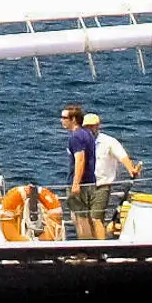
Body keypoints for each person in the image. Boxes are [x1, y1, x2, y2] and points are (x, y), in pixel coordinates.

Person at [86, 112, 141, 226]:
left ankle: (99, 242)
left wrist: (131, 169)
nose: (89, 129)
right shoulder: (81, 142)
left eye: (91, 126)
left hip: (101, 185)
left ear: (98, 125)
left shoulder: (108, 141)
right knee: (83, 219)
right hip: (83, 186)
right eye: (86, 126)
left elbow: (122, 156)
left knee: (96, 217)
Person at [61, 102, 105, 239]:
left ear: (73, 119)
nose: (61, 121)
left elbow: (80, 160)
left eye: (64, 118)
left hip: (81, 183)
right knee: (84, 216)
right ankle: (91, 249)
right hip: (90, 182)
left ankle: (85, 252)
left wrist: (75, 183)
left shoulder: (76, 137)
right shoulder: (88, 134)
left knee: (80, 219)